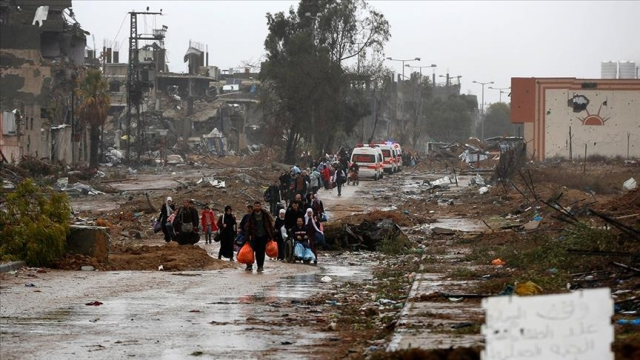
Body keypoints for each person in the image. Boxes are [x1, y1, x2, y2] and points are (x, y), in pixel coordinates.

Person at [246, 201, 275, 272]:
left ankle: (260, 266)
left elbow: (269, 225)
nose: (257, 207)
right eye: (256, 206)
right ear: (254, 207)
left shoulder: (265, 214)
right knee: (250, 251)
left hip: (263, 236)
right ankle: (249, 265)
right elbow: (248, 227)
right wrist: (247, 238)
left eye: (258, 206)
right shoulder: (251, 216)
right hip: (254, 236)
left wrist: (271, 236)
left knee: (261, 252)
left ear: (260, 206)